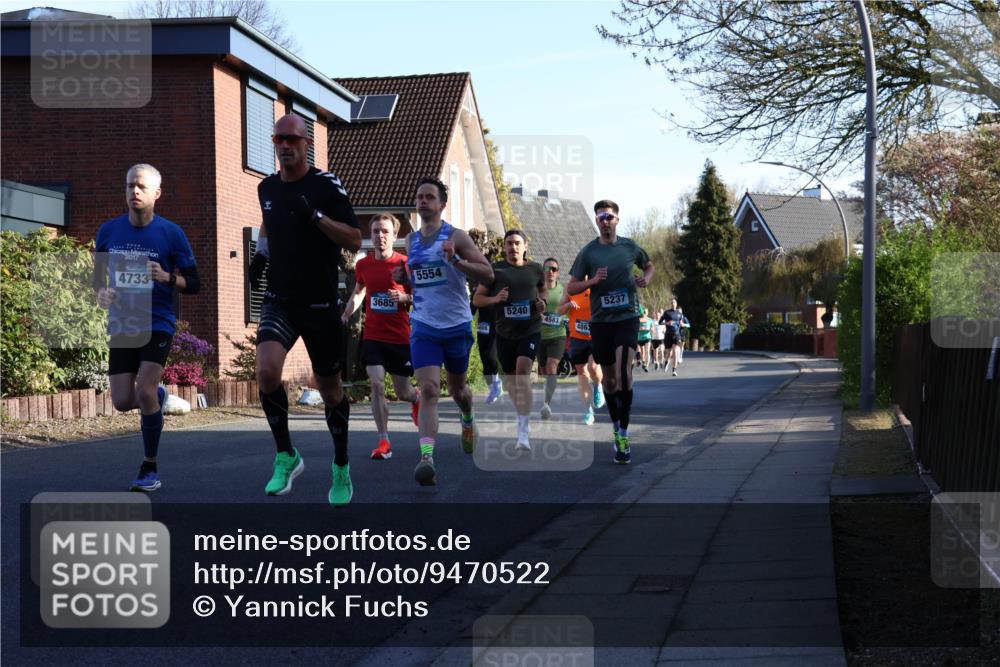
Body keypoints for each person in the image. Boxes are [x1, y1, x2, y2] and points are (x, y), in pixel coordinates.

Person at [248, 114, 361, 505]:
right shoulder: (266, 186)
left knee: (330, 391)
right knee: (265, 372)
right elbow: (268, 223)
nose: (284, 146)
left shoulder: (325, 184)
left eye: (292, 139)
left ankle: (341, 466)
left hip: (320, 303)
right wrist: (260, 255)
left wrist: (314, 215)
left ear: (305, 144)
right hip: (280, 298)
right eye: (278, 138)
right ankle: (286, 455)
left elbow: (353, 237)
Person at [93, 163, 200, 492]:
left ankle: (149, 467)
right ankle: (158, 396)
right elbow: (98, 280)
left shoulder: (171, 233)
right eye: (129, 186)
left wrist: (167, 277)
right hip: (125, 320)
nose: (134, 192)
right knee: (123, 401)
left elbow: (194, 284)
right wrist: (102, 294)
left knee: (143, 390)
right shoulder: (109, 231)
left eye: (140, 187)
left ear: (157, 193)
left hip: (158, 321)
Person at [394, 176, 493, 486]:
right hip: (424, 324)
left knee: (459, 389)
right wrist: (404, 276)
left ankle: (467, 418)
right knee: (429, 390)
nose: (423, 201)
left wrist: (458, 260)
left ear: (441, 204)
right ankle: (427, 458)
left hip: (457, 324)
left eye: (429, 197)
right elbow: (419, 278)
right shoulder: (410, 242)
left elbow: (488, 273)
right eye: (419, 196)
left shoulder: (457, 236)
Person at [567, 199, 653, 464]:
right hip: (601, 322)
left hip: (627, 317)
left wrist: (645, 279)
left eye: (609, 216)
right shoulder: (589, 253)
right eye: (601, 217)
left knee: (625, 373)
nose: (605, 221)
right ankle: (616, 429)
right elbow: (571, 288)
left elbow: (648, 265)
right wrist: (592, 281)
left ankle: (625, 435)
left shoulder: (629, 247)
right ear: (596, 221)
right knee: (610, 380)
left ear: (617, 219)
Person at [340, 213, 420, 461]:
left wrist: (405, 298)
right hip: (373, 337)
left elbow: (423, 298)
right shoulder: (363, 265)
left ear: (394, 236)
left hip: (400, 338)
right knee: (376, 384)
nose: (379, 236)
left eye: (385, 231)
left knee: (403, 391)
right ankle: (384, 440)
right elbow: (359, 292)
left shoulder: (405, 265)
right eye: (375, 231)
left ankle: (416, 398)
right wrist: (345, 315)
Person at [473, 231, 546, 450]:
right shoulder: (495, 270)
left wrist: (542, 303)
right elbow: (477, 298)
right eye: (509, 244)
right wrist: (495, 299)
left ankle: (523, 430)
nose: (513, 247)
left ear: (525, 246)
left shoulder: (535, 269)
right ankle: (521, 413)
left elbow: (542, 291)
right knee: (513, 382)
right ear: (504, 247)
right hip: (504, 333)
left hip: (530, 329)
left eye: (517, 243)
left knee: (523, 373)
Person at [558, 282, 604, 425]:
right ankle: (588, 410)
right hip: (577, 337)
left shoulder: (597, 285)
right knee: (582, 374)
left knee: (594, 367)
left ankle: (597, 385)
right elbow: (559, 310)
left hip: (596, 336)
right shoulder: (570, 287)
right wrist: (568, 306)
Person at [537, 257, 566, 420]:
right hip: (540, 336)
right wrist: (537, 315)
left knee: (551, 366)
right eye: (547, 269)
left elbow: (569, 309)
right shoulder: (537, 291)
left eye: (554, 269)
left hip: (558, 335)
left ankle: (547, 403)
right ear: (543, 272)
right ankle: (547, 396)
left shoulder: (563, 291)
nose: (550, 272)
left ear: (558, 273)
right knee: (543, 371)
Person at [473, 300, 503, 404]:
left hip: (495, 330)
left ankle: (497, 382)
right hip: (482, 329)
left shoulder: (498, 290)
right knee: (485, 362)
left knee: (491, 357)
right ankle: (492, 390)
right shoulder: (479, 293)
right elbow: (472, 309)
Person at [660, 298, 685, 376]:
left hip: (676, 334)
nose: (673, 303)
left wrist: (682, 324)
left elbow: (681, 322)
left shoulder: (679, 314)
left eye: (674, 302)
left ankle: (674, 370)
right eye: (671, 302)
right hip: (668, 334)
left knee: (675, 351)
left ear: (676, 304)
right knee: (668, 353)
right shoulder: (666, 312)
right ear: (670, 304)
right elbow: (660, 322)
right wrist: (667, 323)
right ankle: (666, 361)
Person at [636, 304, 652, 372]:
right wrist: (640, 329)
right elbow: (635, 328)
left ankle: (647, 366)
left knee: (647, 350)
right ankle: (643, 362)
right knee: (642, 352)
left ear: (647, 313)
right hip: (639, 338)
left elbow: (652, 329)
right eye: (644, 312)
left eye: (646, 312)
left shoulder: (650, 320)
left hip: (647, 337)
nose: (644, 313)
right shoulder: (638, 319)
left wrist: (650, 329)